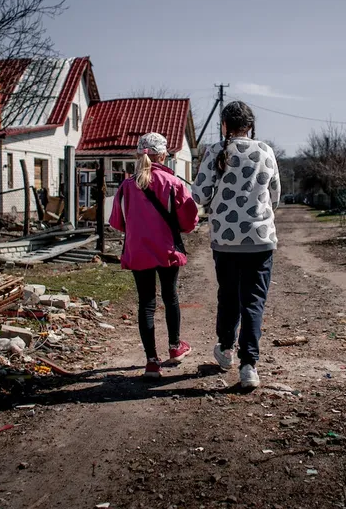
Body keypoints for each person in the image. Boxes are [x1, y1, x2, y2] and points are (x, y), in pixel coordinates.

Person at [191, 101, 281, 389]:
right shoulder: (265, 151)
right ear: (251, 126)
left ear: (225, 125)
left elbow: (200, 195)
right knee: (253, 302)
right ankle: (249, 366)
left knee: (228, 296)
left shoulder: (217, 151)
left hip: (225, 241)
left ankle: (226, 349)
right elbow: (275, 194)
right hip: (260, 239)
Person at [110, 133, 199, 378]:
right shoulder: (173, 183)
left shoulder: (127, 186)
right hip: (166, 249)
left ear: (140, 154)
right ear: (162, 155)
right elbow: (189, 220)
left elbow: (117, 221)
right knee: (170, 296)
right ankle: (175, 346)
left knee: (146, 303)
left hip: (138, 252)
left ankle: (151, 361)